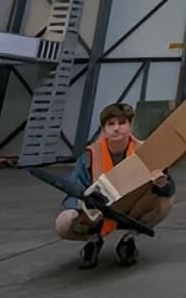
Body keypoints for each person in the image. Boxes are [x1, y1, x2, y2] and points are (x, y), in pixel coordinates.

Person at [54, 102, 176, 269]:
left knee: (164, 202)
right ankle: (93, 241)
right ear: (103, 129)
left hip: (132, 211)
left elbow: (170, 189)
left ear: (130, 126)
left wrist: (162, 183)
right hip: (98, 212)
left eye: (121, 123)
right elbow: (72, 191)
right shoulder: (90, 155)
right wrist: (83, 203)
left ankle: (129, 239)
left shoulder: (145, 152)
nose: (116, 128)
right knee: (64, 222)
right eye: (111, 124)